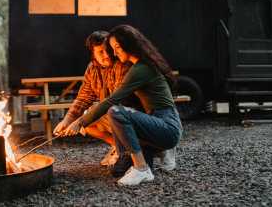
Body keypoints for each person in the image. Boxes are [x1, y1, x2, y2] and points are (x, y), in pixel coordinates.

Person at [62, 25, 183, 186]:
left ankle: (142, 168)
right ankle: (138, 157)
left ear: (129, 45)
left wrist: (80, 122)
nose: (114, 52)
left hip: (167, 126)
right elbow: (85, 97)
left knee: (115, 111)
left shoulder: (139, 69)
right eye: (112, 48)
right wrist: (70, 119)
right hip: (154, 122)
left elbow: (112, 101)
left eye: (116, 47)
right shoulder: (137, 66)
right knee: (117, 170)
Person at [53, 30, 130, 166]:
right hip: (110, 112)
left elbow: (116, 100)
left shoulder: (122, 64)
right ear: (93, 54)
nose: (106, 55)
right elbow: (83, 98)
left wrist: (81, 120)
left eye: (107, 50)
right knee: (86, 122)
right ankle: (119, 148)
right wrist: (67, 121)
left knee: (87, 117)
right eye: (100, 52)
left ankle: (153, 150)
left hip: (129, 113)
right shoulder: (92, 68)